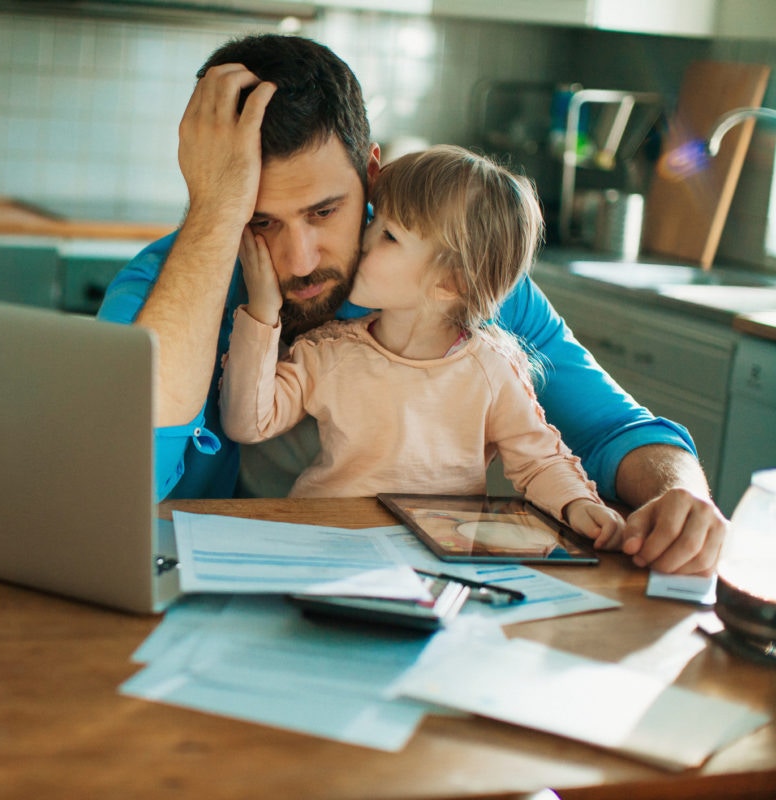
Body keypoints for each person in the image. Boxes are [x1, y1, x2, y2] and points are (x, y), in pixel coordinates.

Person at [96, 33, 726, 575]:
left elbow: (615, 428)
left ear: (372, 175)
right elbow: (120, 484)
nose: (301, 259)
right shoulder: (161, 285)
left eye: (325, 211)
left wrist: (682, 499)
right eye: (258, 221)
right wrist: (214, 212)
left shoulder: (449, 274)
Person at [219, 144, 625, 545]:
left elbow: (541, 463)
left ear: (452, 283)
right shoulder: (328, 351)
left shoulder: (494, 372)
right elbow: (248, 423)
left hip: (437, 559)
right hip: (325, 541)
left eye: (389, 236)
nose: (363, 241)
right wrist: (262, 310)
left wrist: (578, 505)